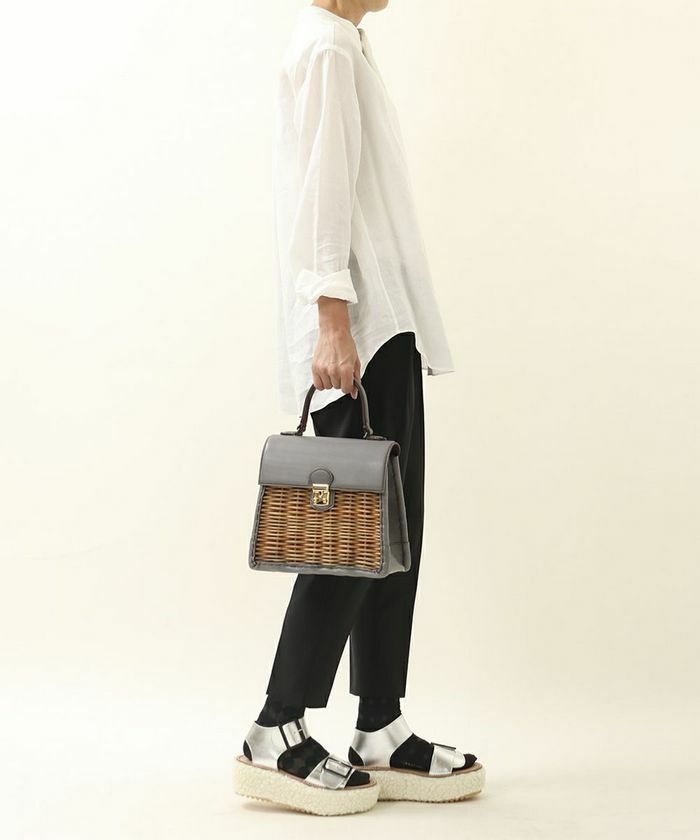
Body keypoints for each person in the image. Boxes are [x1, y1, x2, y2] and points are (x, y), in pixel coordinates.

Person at [234, 1, 485, 815]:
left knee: (392, 534)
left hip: (384, 325)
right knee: (348, 537)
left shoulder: (345, 43)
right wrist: (334, 319)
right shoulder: (328, 48)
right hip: (361, 330)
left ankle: (380, 722)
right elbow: (323, 194)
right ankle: (276, 726)